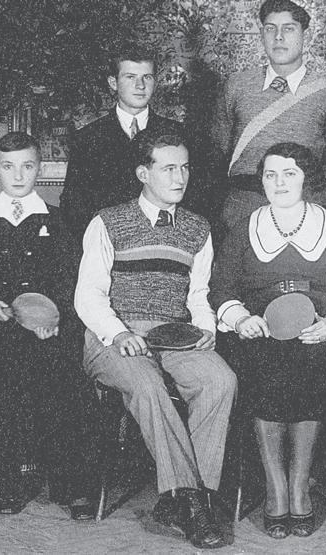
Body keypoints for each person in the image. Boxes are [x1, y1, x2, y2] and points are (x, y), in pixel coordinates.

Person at [74, 131, 236, 549]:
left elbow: (198, 295)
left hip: (175, 337)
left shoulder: (198, 228)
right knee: (147, 385)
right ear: (143, 173)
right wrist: (119, 333)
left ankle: (180, 499)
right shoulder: (108, 221)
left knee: (221, 380)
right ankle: (194, 505)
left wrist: (207, 329)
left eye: (184, 167)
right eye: (168, 168)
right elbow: (88, 295)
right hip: (113, 337)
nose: (180, 177)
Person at [209, 143, 326, 540]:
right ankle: (276, 487)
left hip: (318, 325)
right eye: (271, 174)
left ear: (306, 178)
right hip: (260, 326)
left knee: (315, 359)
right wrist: (241, 319)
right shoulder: (244, 227)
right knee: (263, 361)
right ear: (261, 181)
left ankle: (299, 484)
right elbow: (221, 290)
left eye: (290, 173)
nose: (279, 182)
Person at [0, 132, 100, 519]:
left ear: (40, 170)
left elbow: (71, 277)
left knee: (58, 406)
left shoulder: (57, 218)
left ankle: (68, 488)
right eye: (9, 167)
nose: (18, 175)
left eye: (27, 166)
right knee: (3, 410)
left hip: (48, 334)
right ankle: (9, 489)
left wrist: (57, 319)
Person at [212, 0, 326, 230]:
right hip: (242, 209)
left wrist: (315, 206)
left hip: (301, 208)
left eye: (288, 29)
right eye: (271, 28)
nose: (278, 37)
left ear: (305, 36)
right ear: (262, 35)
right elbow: (215, 156)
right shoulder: (236, 86)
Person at [60, 45, 207, 244]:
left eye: (147, 77)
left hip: (166, 243)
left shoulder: (180, 135)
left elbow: (194, 197)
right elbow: (73, 205)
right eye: (130, 77)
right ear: (113, 82)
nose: (140, 86)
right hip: (108, 245)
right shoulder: (87, 138)